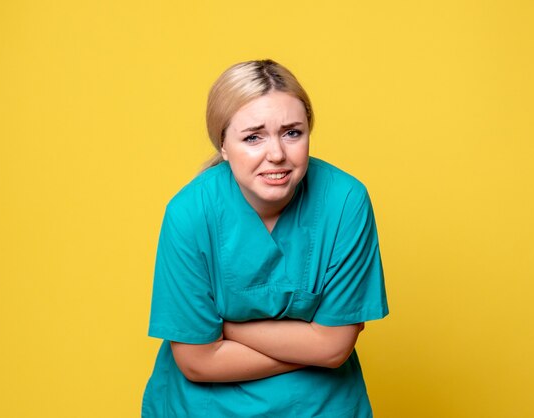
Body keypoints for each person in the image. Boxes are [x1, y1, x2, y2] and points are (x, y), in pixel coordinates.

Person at [142, 59, 389, 417]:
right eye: (253, 137)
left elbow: (334, 349)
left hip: (320, 408)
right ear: (223, 145)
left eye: (292, 132)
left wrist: (225, 330)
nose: (276, 154)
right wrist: (313, 345)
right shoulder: (189, 213)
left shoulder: (345, 201)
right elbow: (197, 361)